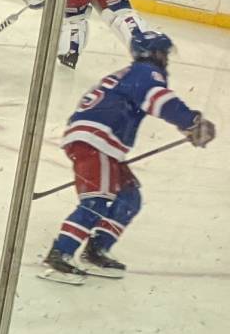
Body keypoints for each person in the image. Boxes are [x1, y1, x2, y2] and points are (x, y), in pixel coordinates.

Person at [40, 29, 214, 281]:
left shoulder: (131, 74)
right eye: (164, 53)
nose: (166, 58)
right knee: (96, 201)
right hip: (96, 140)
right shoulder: (146, 72)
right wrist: (192, 122)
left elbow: (144, 99)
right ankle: (59, 256)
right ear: (154, 54)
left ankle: (96, 250)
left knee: (128, 197)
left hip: (98, 140)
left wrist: (186, 126)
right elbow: (158, 99)